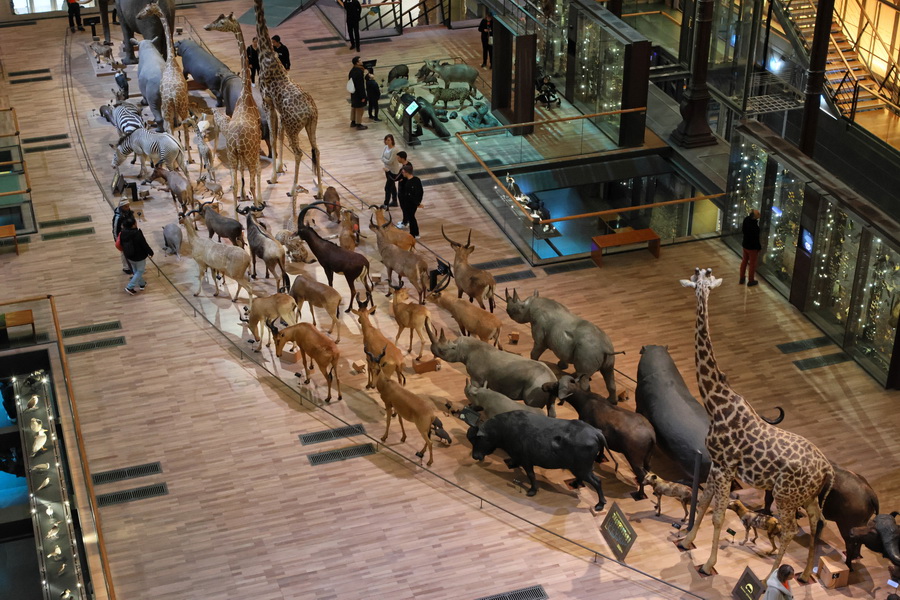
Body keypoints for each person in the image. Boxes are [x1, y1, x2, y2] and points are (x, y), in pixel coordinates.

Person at [120, 217, 154, 295]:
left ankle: (142, 284)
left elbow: (121, 244)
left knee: (135, 270)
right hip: (139, 256)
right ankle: (130, 287)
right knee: (140, 271)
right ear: (133, 225)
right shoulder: (137, 233)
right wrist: (150, 252)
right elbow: (144, 244)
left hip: (129, 255)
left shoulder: (123, 232)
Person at [398, 163, 423, 238]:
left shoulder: (409, 183)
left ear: (406, 172)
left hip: (410, 204)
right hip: (413, 203)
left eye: (403, 172)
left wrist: (417, 203)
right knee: (411, 217)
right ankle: (414, 233)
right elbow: (421, 192)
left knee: (411, 218)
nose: (402, 174)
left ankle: (414, 234)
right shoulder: (416, 179)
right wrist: (418, 202)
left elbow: (410, 195)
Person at [740, 208, 762, 287]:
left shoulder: (746, 220)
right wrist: (758, 248)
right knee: (752, 264)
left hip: (745, 245)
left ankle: (742, 278)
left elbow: (743, 230)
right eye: (758, 214)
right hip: (752, 248)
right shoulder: (755, 227)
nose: (759, 215)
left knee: (744, 261)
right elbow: (756, 239)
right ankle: (751, 280)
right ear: (754, 217)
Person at [112, 200, 134, 275]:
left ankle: (133, 265)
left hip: (130, 235)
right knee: (124, 253)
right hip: (123, 238)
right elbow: (115, 230)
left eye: (128, 206)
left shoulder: (128, 213)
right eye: (126, 206)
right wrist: (117, 240)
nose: (128, 208)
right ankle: (126, 267)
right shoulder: (118, 217)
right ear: (121, 207)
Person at [348, 56, 368, 130]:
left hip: (353, 92)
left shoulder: (352, 70)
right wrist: (363, 96)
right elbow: (360, 86)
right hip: (358, 94)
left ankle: (353, 122)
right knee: (359, 109)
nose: (361, 61)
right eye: (360, 60)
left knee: (354, 107)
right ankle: (358, 124)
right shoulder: (359, 72)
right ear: (357, 62)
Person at [381, 134, 400, 207]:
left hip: (393, 171)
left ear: (392, 140)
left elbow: (390, 161)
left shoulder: (395, 150)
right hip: (387, 170)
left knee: (387, 188)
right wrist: (385, 161)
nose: (387, 141)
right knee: (392, 186)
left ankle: (386, 204)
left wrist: (384, 161)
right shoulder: (385, 147)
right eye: (386, 140)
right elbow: (381, 157)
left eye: (388, 140)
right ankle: (394, 201)